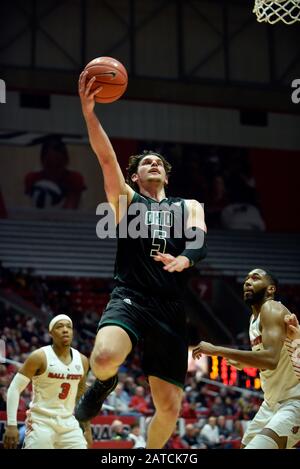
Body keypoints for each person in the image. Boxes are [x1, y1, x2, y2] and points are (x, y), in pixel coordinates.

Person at [74, 71, 207, 449]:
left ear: (166, 173)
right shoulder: (128, 200)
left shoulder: (190, 206)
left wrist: (185, 260)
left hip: (169, 307)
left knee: (168, 408)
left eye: (158, 162)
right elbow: (104, 157)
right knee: (102, 357)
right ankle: (102, 382)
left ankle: (150, 455)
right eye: (145, 162)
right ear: (133, 175)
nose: (153, 164)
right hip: (131, 296)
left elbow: (199, 242)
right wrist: (90, 114)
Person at [193, 268, 300, 449]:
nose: (247, 282)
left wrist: (217, 350)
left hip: (294, 401)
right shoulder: (253, 319)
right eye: (246, 279)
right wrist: (243, 362)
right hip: (271, 403)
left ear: (271, 289)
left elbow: (270, 360)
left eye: (255, 278)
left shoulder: (272, 308)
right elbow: (271, 358)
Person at [3, 314, 92, 449]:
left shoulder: (83, 360)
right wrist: (11, 425)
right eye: (59, 326)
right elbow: (14, 388)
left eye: (69, 327)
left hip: (69, 423)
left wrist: (87, 430)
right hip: (40, 422)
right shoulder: (39, 356)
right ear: (51, 333)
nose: (65, 330)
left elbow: (80, 396)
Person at [25, 136, 86, 209]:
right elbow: (31, 207)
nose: (53, 170)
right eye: (49, 165)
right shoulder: (33, 178)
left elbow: (70, 209)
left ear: (66, 161)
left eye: (58, 165)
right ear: (42, 161)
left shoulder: (74, 178)